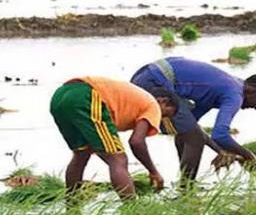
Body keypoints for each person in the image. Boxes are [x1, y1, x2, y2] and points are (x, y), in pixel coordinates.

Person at [130, 57, 256, 181]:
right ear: (251, 91)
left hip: (145, 75)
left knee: (187, 133)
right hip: (154, 83)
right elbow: (220, 135)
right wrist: (249, 156)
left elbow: (191, 128)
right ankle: (187, 189)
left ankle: (186, 185)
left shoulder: (226, 86)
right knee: (194, 139)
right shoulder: (235, 95)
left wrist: (221, 151)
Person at [50, 76, 178, 198]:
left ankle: (72, 208)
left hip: (60, 96)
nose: (161, 119)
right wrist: (153, 171)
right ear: (163, 102)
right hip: (87, 95)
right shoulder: (153, 105)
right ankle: (131, 210)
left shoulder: (138, 99)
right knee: (118, 159)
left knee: (81, 154)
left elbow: (101, 145)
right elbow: (136, 142)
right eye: (166, 114)